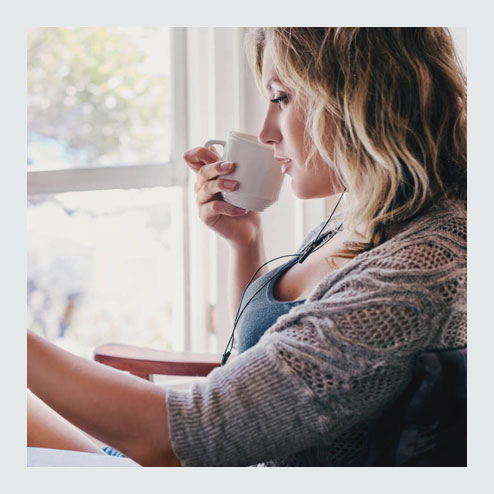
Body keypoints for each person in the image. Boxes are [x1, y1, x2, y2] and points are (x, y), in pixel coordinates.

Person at [27, 27, 467, 467]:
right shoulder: (363, 218)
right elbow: (260, 367)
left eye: (282, 98)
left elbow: (181, 438)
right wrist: (245, 243)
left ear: (363, 98)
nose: (266, 132)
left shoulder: (420, 271)